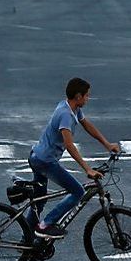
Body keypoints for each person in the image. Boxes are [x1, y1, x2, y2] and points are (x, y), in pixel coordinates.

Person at [28, 78, 120, 238]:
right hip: (45, 162)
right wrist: (88, 169)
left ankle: (28, 240)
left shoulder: (71, 108)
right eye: (86, 96)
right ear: (78, 96)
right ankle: (45, 225)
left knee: (39, 201)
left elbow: (87, 125)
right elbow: (69, 145)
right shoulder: (65, 115)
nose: (88, 99)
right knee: (77, 191)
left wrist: (107, 144)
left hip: (38, 156)